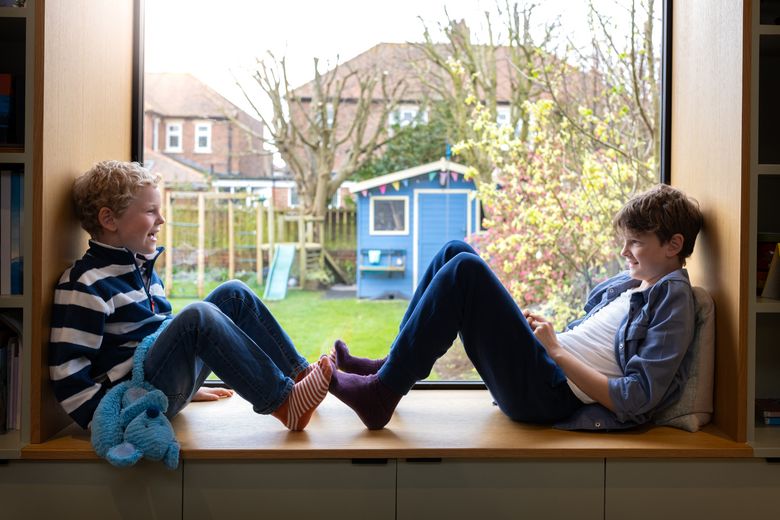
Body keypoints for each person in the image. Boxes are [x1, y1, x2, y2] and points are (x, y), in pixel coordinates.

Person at [329, 184, 704, 431]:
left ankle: (382, 394)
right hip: (545, 370)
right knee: (454, 251)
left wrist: (556, 351)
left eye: (635, 242)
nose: (624, 251)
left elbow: (637, 397)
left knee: (465, 271)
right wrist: (549, 336)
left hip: (549, 395)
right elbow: (598, 346)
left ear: (673, 245)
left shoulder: (673, 299)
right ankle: (392, 367)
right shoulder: (636, 283)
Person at [49, 160, 332, 432]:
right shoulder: (85, 283)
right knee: (198, 316)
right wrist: (109, 421)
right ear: (109, 219)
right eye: (150, 211)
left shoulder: (143, 269)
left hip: (163, 385)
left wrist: (187, 386)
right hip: (136, 403)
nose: (161, 219)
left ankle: (298, 376)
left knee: (234, 294)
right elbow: (67, 370)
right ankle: (284, 404)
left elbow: (161, 339)